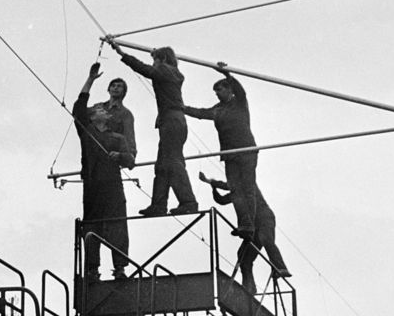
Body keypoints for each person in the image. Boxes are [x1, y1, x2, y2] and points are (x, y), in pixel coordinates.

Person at [115, 44, 199, 216]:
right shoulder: (172, 73)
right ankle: (159, 205)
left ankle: (188, 201)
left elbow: (144, 69)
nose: (153, 64)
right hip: (172, 121)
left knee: (173, 162)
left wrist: (122, 54)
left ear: (163, 59)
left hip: (171, 121)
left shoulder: (165, 70)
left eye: (155, 60)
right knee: (162, 165)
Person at [73, 63, 134, 279]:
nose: (101, 109)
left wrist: (120, 157)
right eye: (98, 110)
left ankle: (119, 268)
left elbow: (130, 160)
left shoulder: (118, 138)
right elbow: (79, 108)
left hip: (112, 185)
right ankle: (91, 270)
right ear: (91, 118)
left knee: (117, 224)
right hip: (92, 184)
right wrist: (90, 80)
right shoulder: (86, 132)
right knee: (92, 225)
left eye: (101, 109)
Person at [183, 66, 257, 238]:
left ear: (229, 90)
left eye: (220, 90)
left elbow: (241, 91)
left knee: (247, 189)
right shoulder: (218, 109)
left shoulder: (239, 103)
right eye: (216, 91)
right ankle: (244, 225)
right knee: (236, 190)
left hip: (246, 150)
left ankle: (249, 225)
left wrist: (227, 75)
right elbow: (201, 113)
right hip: (229, 154)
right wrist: (183, 108)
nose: (217, 94)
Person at [199, 171, 291, 294]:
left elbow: (227, 186)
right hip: (252, 226)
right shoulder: (237, 193)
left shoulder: (249, 184)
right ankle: (249, 288)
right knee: (243, 255)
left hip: (264, 219)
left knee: (266, 239)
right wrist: (213, 188)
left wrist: (210, 181)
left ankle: (280, 267)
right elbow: (221, 200)